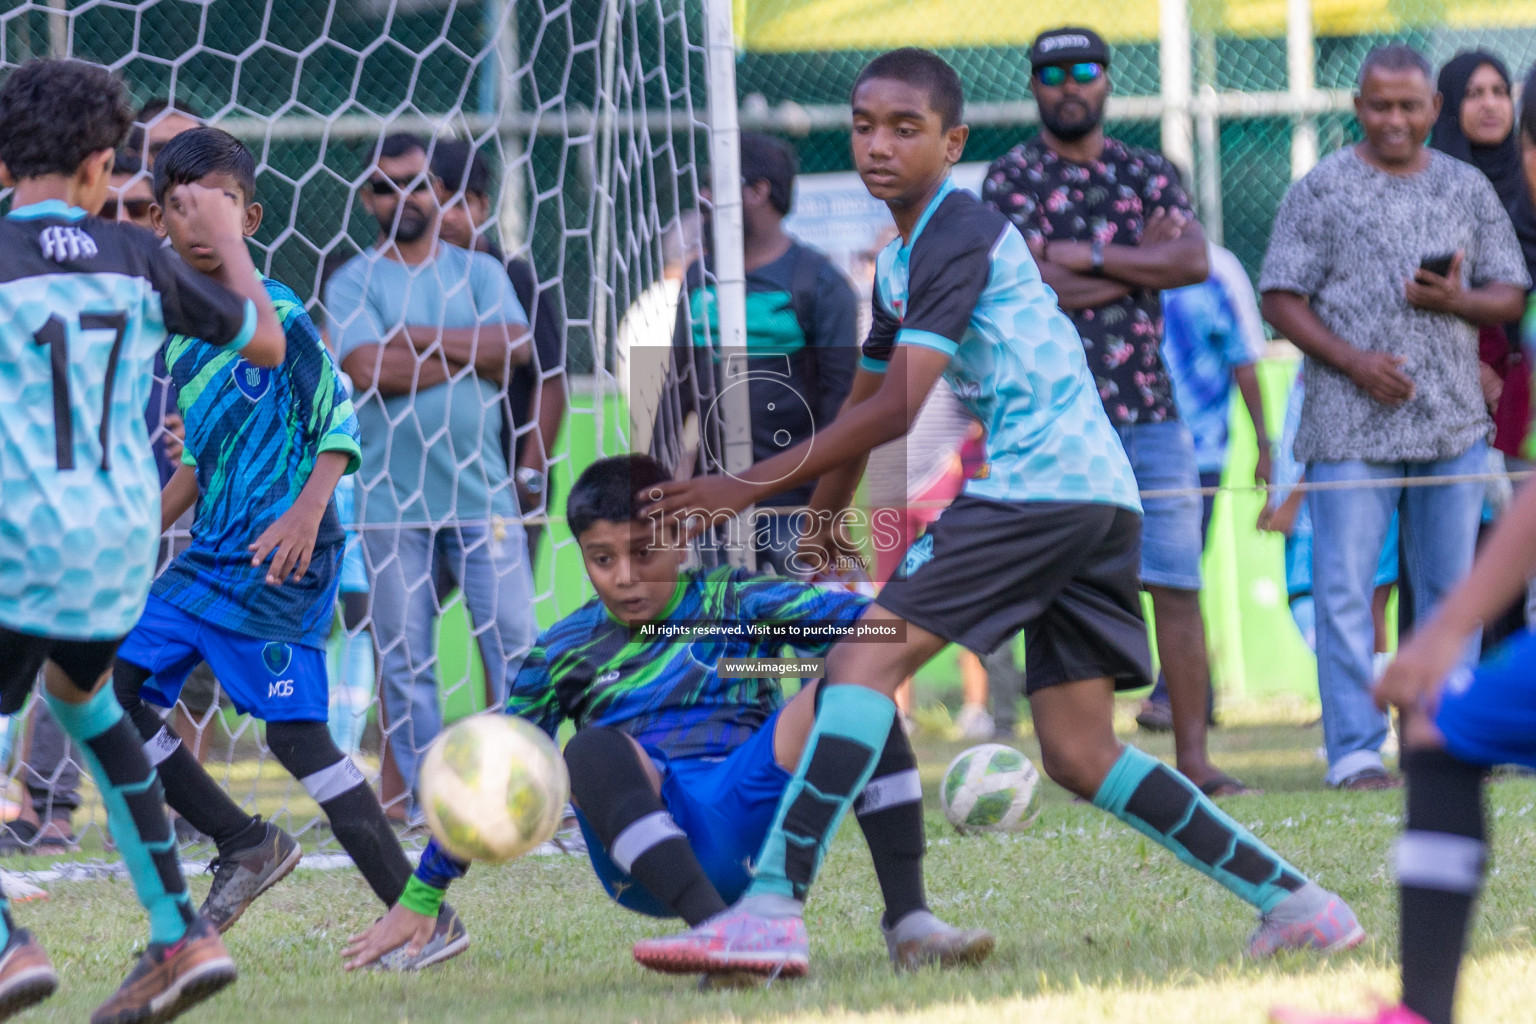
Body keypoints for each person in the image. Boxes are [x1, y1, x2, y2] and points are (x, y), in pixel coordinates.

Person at [631, 47, 1362, 978]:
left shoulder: (961, 229)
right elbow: (864, 407)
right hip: (1097, 500)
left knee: (862, 659)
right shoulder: (901, 263)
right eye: (864, 126)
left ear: (953, 141)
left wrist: (736, 489)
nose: (880, 145)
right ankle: (1301, 904)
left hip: (1037, 490)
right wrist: (818, 531)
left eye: (906, 128)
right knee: (1080, 751)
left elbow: (897, 409)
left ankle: (771, 910)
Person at [339, 454, 992, 973]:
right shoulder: (560, 652)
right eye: (602, 560)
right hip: (647, 852)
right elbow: (499, 780)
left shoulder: (737, 598)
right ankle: (719, 936)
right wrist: (420, 895)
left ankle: (909, 924)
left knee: (858, 689)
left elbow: (881, 634)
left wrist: (950, 565)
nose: (624, 576)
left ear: (682, 535)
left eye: (643, 553)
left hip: (752, 809)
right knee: (586, 749)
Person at [105, 127, 439, 958]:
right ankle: (244, 841)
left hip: (281, 561)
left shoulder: (278, 313)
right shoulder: (182, 335)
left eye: (212, 207)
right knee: (108, 687)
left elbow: (336, 417)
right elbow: (204, 461)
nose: (192, 224)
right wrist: (146, 524)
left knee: (295, 738)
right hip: (213, 554)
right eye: (174, 209)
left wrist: (306, 508)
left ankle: (422, 912)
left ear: (247, 217)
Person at [0, 57, 286, 1024]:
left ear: (4, 165)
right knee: (84, 702)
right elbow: (265, 340)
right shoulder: (136, 257)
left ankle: (5, 946)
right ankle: (178, 932)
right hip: (120, 544)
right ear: (99, 167)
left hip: (18, 538)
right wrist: (223, 243)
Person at [981, 27, 1243, 797]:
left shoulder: (1146, 171)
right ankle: (1073, 754)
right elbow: (1027, 287)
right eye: (1053, 72)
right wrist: (1136, 271)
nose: (1070, 84)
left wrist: (1086, 259)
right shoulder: (1010, 180)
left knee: (1177, 584)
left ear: (1106, 81)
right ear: (1034, 85)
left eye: (1084, 70)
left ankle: (1194, 758)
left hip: (1150, 411)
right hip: (1048, 415)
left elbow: (1191, 262)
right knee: (1050, 582)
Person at [1259, 44, 1528, 790]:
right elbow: (1279, 296)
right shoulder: (1320, 190)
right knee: (1344, 591)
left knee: (1452, 594)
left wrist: (1457, 303)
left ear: (1432, 111)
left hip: (1452, 425)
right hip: (1349, 425)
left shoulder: (1466, 186)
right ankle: (1352, 750)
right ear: (1358, 108)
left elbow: (1510, 293)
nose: (1396, 120)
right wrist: (1353, 361)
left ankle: (1446, 739)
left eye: (1410, 106)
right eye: (1380, 106)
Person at [328, 133, 536, 815]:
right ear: (368, 199)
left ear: (439, 193)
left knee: (513, 643)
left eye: (416, 183)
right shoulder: (352, 279)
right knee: (407, 660)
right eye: (385, 186)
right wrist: (467, 354)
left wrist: (411, 339)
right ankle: (423, 804)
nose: (403, 197)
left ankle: (529, 787)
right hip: (392, 505)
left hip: (485, 495)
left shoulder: (479, 272)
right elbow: (363, 369)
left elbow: (514, 347)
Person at [666, 132, 860, 577]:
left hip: (796, 506)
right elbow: (676, 391)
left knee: (819, 637)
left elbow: (842, 407)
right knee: (723, 640)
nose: (704, 198)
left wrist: (827, 509)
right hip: (709, 504)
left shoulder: (820, 283)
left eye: (716, 186)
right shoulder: (698, 277)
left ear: (757, 192)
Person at [1136, 242, 1272, 732]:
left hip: (1200, 451)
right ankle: (1188, 691)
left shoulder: (1216, 268)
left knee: (1176, 575)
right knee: (1133, 575)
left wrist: (1265, 444)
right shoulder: (1108, 261)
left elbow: (1246, 356)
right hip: (1119, 444)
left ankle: (1177, 695)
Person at [1428, 50, 1536, 641]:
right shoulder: (1437, 190)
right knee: (1462, 568)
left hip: (1523, 406)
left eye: (1500, 90)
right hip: (1458, 408)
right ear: (1446, 105)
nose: (1491, 103)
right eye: (1474, 93)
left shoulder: (1529, 186)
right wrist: (1476, 367)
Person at [431, 139, 569, 563]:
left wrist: (529, 474)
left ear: (484, 207)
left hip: (504, 484)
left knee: (504, 621)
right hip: (427, 484)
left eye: (464, 203)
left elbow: (552, 381)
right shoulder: (407, 281)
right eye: (439, 204)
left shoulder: (516, 278)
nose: (450, 217)